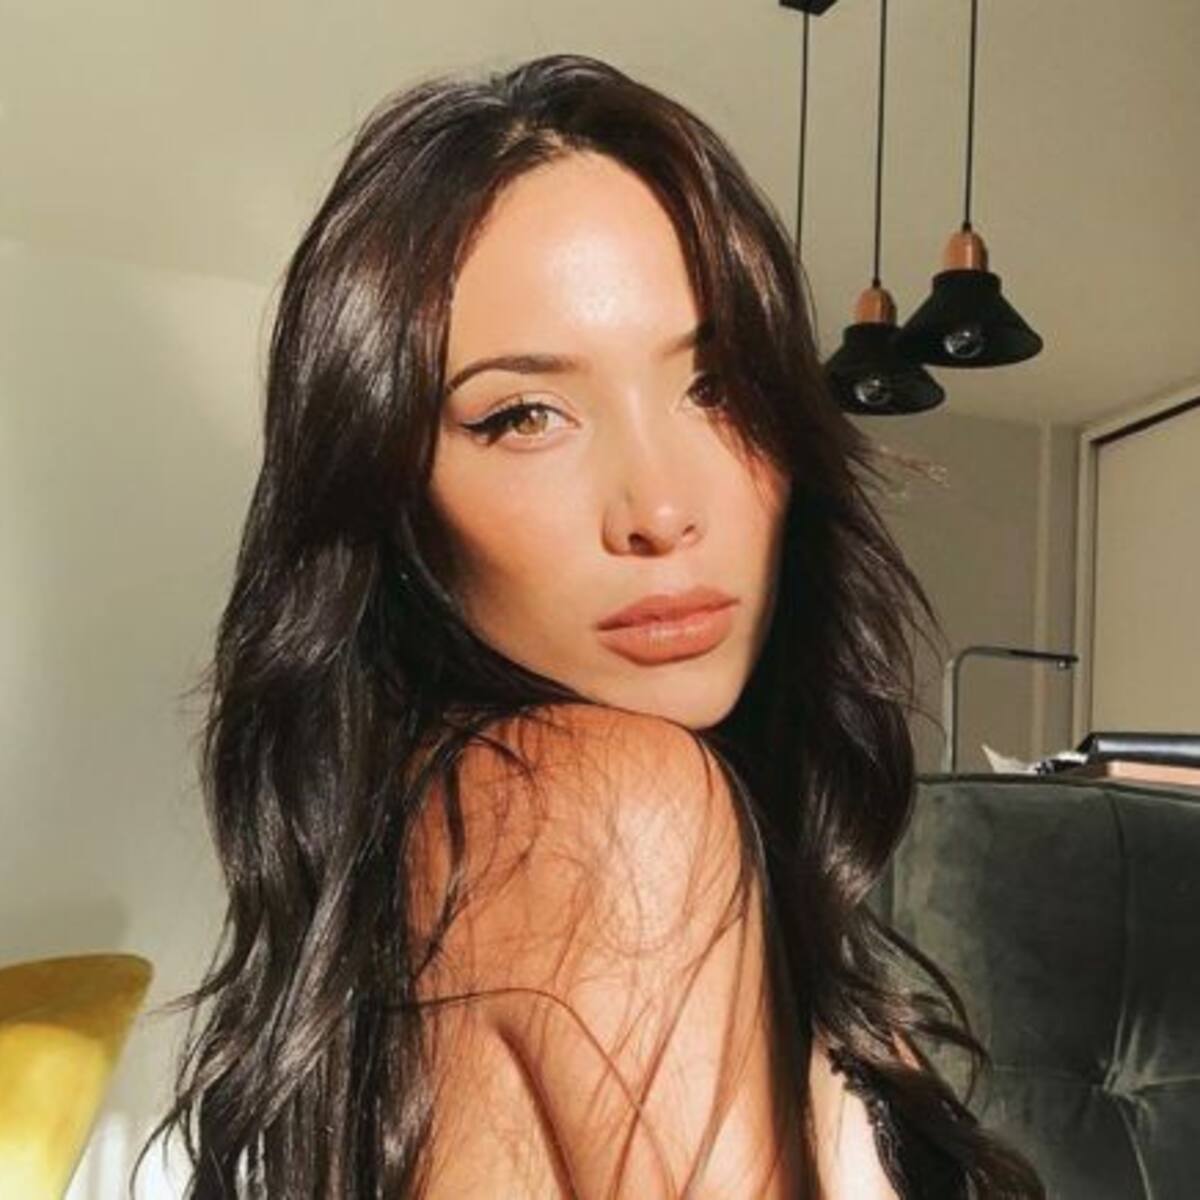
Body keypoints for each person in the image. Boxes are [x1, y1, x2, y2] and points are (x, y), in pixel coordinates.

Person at [134, 53, 1045, 1199]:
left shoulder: (442, 830)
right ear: (392, 498)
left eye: (716, 386)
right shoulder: (602, 806)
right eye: (525, 415)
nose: (660, 509)